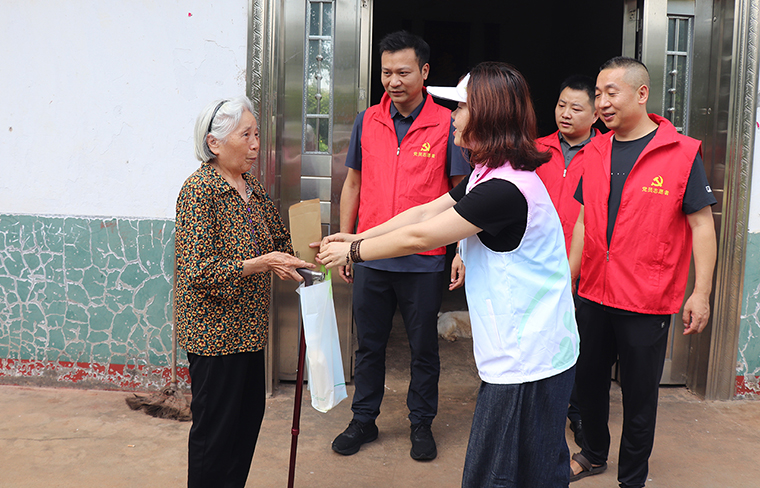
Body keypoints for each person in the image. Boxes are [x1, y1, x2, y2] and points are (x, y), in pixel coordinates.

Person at [318, 61, 579, 487]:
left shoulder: (504, 190)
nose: (453, 115)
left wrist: (355, 251)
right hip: (522, 351)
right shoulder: (487, 174)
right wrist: (359, 235)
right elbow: (424, 212)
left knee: (508, 475)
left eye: (461, 107)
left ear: (487, 115)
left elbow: (421, 235)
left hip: (530, 358)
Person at [567, 57, 717, 487]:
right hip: (593, 291)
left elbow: (702, 225)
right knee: (588, 382)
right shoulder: (596, 149)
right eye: (598, 94)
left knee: (638, 396)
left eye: (611, 93)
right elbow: (583, 220)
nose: (602, 102)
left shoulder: (680, 152)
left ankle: (632, 477)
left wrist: (701, 292)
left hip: (645, 298)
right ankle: (593, 453)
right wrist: (566, 278)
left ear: (641, 93)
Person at [331, 30, 470, 461]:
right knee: (369, 346)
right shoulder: (367, 120)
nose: (393, 81)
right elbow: (353, 183)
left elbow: (463, 193)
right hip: (371, 256)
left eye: (403, 72)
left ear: (424, 72)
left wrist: (460, 251)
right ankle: (363, 420)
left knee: (423, 347)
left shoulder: (447, 123)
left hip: (423, 260)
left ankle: (421, 424)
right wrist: (347, 241)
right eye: (386, 72)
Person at [175, 95, 314, 488]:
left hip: (249, 332)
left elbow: (278, 239)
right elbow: (198, 270)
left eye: (256, 135)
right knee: (214, 434)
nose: (255, 145)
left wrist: (311, 253)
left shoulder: (249, 185)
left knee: (246, 423)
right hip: (214, 336)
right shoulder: (199, 191)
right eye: (246, 135)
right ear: (214, 143)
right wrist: (262, 263)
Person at [536, 74, 599, 448]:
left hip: (587, 266)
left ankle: (577, 411)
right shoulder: (536, 150)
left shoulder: (606, 154)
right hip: (539, 264)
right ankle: (542, 406)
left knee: (580, 343)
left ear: (595, 115)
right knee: (540, 336)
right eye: (561, 105)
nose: (565, 113)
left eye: (576, 108)